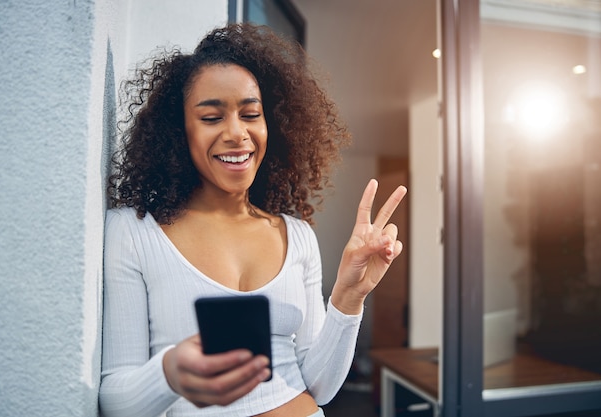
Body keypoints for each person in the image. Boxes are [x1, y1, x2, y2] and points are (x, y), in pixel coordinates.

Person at [99, 23, 407, 417]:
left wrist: (350, 296)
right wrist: (170, 373)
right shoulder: (134, 232)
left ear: (270, 125)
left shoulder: (296, 236)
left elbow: (321, 388)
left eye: (251, 114)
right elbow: (115, 401)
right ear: (180, 131)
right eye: (211, 117)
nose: (236, 133)